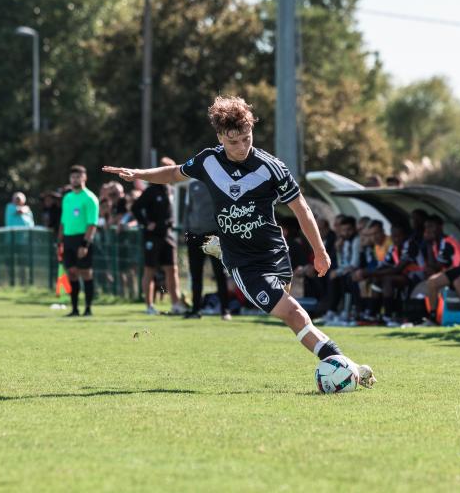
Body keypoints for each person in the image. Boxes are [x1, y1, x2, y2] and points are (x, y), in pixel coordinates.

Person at [103, 95, 373, 379]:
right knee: (294, 314)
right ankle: (347, 368)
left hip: (275, 253)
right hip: (245, 263)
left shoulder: (273, 168)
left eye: (247, 138)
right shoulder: (208, 161)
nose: (242, 146)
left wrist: (319, 251)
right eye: (234, 141)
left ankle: (345, 365)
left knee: (292, 312)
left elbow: (302, 208)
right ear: (220, 137)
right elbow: (173, 173)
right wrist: (138, 174)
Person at [131, 157, 186, 315]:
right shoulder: (151, 190)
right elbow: (136, 208)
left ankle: (175, 304)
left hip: (167, 235)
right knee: (150, 270)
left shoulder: (170, 189)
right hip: (152, 236)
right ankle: (149, 306)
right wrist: (146, 223)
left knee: (172, 269)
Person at [184, 178, 231, 320]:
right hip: (194, 235)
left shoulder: (219, 182)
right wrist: (186, 231)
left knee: (219, 274)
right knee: (195, 275)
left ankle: (225, 310)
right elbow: (188, 209)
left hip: (213, 235)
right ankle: (195, 310)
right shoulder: (192, 184)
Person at [57, 165, 99, 317]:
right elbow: (63, 222)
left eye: (78, 176)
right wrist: (60, 240)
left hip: (82, 238)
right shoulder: (67, 198)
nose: (75, 179)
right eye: (73, 177)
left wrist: (85, 244)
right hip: (68, 240)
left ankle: (88, 308)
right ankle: (74, 309)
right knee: (72, 273)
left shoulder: (90, 198)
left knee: (86, 273)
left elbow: (92, 224)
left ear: (84, 178)